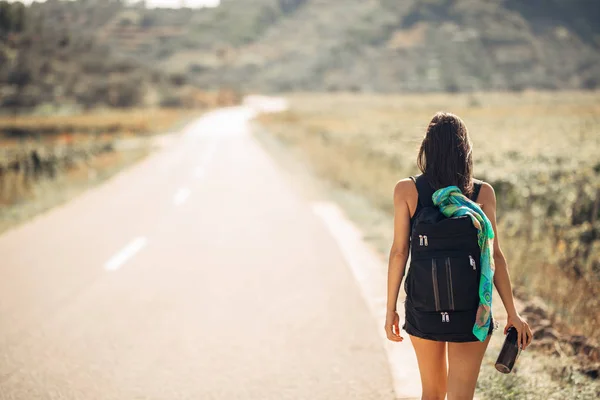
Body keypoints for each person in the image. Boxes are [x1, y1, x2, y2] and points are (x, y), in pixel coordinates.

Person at [384, 112, 533, 400]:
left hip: (423, 307)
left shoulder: (407, 190)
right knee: (461, 396)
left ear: (426, 148)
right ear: (465, 151)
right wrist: (512, 313)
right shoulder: (482, 193)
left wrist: (391, 309)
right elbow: (495, 256)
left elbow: (399, 252)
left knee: (432, 392)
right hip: (471, 311)